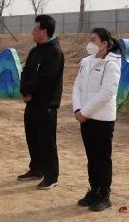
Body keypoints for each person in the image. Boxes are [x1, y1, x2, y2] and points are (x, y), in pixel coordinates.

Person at [72, 28, 123, 211]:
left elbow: (107, 93)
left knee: (102, 157)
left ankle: (104, 194)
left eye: (93, 40)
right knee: (91, 157)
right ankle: (94, 190)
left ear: (104, 43)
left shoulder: (112, 64)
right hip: (85, 118)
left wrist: (85, 111)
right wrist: (78, 109)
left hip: (102, 119)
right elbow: (77, 87)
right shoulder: (86, 62)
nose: (90, 43)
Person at [19, 15, 65, 190]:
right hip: (31, 103)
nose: (32, 32)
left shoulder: (55, 52)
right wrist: (25, 91)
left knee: (47, 142)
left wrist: (31, 93)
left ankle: (51, 176)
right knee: (32, 138)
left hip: (46, 105)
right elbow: (25, 73)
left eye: (35, 29)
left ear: (44, 32)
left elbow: (46, 79)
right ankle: (36, 169)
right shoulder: (35, 51)